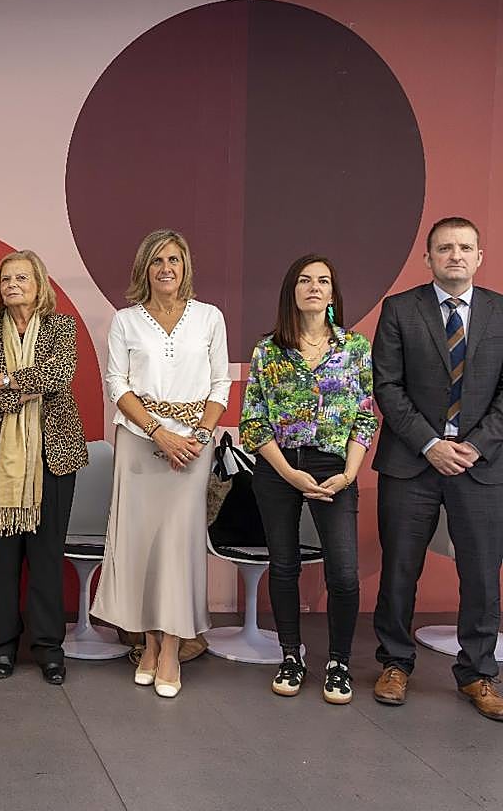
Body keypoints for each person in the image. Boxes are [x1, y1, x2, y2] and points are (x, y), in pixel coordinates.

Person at [372, 216, 503, 721]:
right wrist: (430, 443)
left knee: (482, 575)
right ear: (427, 258)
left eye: (465, 248)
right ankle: (395, 663)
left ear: (479, 257)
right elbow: (387, 386)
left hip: (481, 464)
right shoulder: (400, 310)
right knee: (402, 569)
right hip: (412, 461)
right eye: (444, 248)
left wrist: (475, 445)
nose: (455, 256)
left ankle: (477, 673)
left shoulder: (499, 312)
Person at [91, 229, 230, 698]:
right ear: (144, 270)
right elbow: (117, 383)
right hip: (139, 443)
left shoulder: (210, 318)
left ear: (185, 266)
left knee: (178, 549)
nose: (166, 268)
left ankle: (173, 649)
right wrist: (157, 432)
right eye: (157, 261)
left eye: (174, 259)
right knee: (142, 548)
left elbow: (219, 385)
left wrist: (200, 437)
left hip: (193, 449)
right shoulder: (125, 320)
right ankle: (148, 645)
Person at [240, 255, 377, 704]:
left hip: (335, 468)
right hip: (279, 468)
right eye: (304, 280)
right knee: (284, 565)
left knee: (343, 572)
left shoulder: (354, 348)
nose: (314, 287)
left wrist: (349, 473)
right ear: (291, 291)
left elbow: (364, 416)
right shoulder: (268, 349)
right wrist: (289, 474)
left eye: (323, 281)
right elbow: (253, 422)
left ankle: (338, 662)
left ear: (334, 293)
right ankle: (290, 655)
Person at [0, 250, 87, 685]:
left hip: (53, 458)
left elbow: (60, 374)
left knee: (45, 558)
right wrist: (18, 388)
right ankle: (1, 647)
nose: (13, 284)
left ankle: (48, 648)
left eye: (22, 277)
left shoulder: (62, 327)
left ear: (40, 284)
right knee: (1, 561)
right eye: (6, 278)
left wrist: (5, 380)